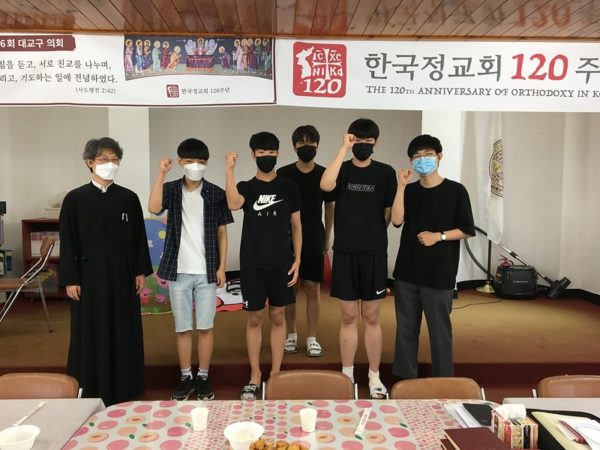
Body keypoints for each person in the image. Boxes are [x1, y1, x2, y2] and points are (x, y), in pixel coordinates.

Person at [59, 137, 152, 406]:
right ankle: (88, 386)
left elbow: (138, 238)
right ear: (90, 163)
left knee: (123, 329)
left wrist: (139, 271)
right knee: (89, 330)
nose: (110, 164)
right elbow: (68, 241)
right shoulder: (75, 199)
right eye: (103, 159)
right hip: (88, 278)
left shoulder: (128, 198)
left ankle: (126, 386)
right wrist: (71, 279)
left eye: (114, 159)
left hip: (123, 277)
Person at [148, 138, 233, 401]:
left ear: (207, 163)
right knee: (182, 328)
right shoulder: (171, 189)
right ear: (180, 162)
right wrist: (161, 173)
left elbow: (222, 233)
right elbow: (153, 208)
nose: (195, 166)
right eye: (190, 161)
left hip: (207, 271)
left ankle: (203, 376)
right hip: (179, 270)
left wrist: (222, 267)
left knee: (206, 327)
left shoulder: (216, 193)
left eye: (201, 161)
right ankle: (186, 376)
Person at [320, 118, 397, 399]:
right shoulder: (342, 169)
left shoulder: (385, 173)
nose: (363, 145)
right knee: (349, 316)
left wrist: (371, 234)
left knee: (372, 316)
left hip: (374, 254)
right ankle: (347, 374)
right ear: (350, 140)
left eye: (368, 141)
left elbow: (388, 214)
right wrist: (343, 149)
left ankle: (374, 375)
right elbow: (326, 185)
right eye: (358, 140)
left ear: (376, 142)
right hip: (345, 253)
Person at [225, 131, 302, 400]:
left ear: (277, 154)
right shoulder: (246, 187)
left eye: (271, 153)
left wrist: (298, 260)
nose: (266, 157)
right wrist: (229, 170)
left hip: (281, 264)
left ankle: (276, 374)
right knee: (255, 318)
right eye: (261, 153)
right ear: (253, 155)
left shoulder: (289, 187)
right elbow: (232, 203)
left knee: (278, 317)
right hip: (253, 264)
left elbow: (296, 225)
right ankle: (255, 374)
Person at [391, 134, 475, 380]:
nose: (422, 160)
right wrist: (401, 186)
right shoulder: (409, 190)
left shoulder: (456, 191)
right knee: (405, 331)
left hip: (439, 274)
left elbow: (466, 229)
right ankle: (404, 381)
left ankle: (444, 383)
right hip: (407, 272)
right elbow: (396, 220)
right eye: (417, 157)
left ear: (439, 157)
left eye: (428, 155)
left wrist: (438, 236)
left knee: (440, 334)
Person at [277, 125, 334, 358]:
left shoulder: (325, 174)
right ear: (294, 147)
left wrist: (327, 237)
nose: (306, 147)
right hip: (286, 238)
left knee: (312, 288)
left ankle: (311, 337)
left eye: (311, 144)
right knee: (290, 288)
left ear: (318, 146)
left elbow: (329, 207)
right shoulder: (283, 174)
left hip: (314, 236)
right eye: (302, 143)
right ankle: (291, 334)